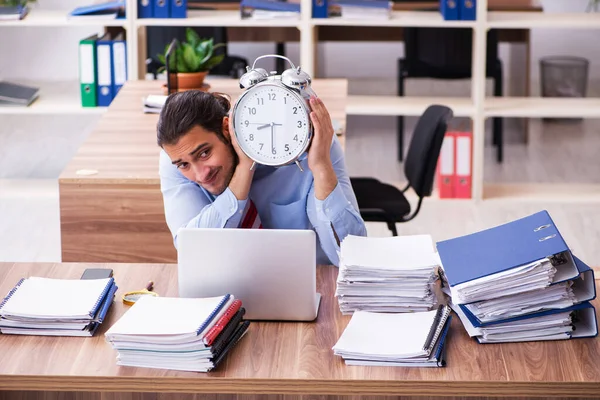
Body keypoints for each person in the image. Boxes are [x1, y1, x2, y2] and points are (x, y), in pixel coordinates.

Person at [157, 89, 367, 266]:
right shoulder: (176, 158)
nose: (200, 174)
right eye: (184, 165)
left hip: (316, 289)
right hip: (229, 295)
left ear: (226, 128)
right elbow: (193, 251)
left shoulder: (309, 143)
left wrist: (321, 167)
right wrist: (245, 168)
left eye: (205, 153)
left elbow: (352, 255)